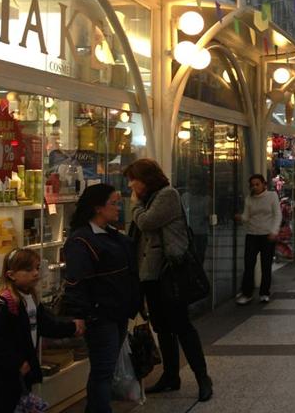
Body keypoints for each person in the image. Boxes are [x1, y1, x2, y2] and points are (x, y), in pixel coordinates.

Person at [125, 159, 213, 402]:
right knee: (162, 328)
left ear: (147, 178)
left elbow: (147, 222)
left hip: (169, 273)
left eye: (134, 179)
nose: (131, 185)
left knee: (182, 327)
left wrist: (133, 206)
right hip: (151, 275)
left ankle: (202, 378)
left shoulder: (167, 195)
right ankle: (170, 376)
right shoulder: (148, 200)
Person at [62, 184, 141, 413]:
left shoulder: (110, 234)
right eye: (113, 203)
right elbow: (76, 281)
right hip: (100, 314)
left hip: (117, 310)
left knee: (104, 369)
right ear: (98, 208)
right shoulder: (81, 241)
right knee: (103, 370)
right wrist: (78, 314)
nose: (118, 208)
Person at [0, 249, 82, 413]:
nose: (35, 273)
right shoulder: (2, 302)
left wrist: (72, 327)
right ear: (11, 274)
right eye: (28, 270)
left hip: (23, 370)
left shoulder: (29, 297)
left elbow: (45, 324)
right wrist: (15, 363)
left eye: (36, 268)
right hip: (6, 375)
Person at [234, 174, 282, 305]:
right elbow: (246, 216)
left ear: (264, 184)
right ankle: (247, 293)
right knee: (249, 265)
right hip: (252, 234)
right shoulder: (249, 199)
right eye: (252, 185)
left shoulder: (272, 196)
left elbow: (277, 214)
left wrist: (274, 231)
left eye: (257, 184)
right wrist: (240, 218)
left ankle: (264, 293)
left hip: (267, 235)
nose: (255, 187)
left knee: (266, 265)